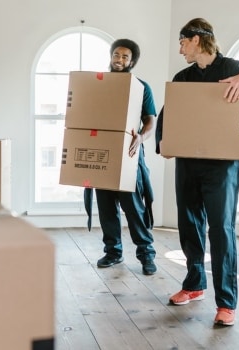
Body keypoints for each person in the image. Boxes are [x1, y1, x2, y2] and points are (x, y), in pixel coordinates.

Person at [155, 18, 239, 326]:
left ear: (197, 40)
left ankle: (227, 303)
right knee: (188, 225)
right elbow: (168, 114)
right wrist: (162, 141)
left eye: (182, 42)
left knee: (221, 230)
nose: (180, 49)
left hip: (222, 166)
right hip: (188, 163)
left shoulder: (233, 68)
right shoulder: (183, 76)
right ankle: (193, 285)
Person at [84, 38, 158, 276]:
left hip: (128, 153)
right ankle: (113, 252)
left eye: (125, 57)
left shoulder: (141, 87)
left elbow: (150, 122)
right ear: (111, 56)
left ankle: (146, 254)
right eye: (117, 55)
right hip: (102, 153)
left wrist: (141, 138)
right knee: (106, 208)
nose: (120, 60)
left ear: (132, 61)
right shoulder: (99, 84)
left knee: (134, 208)